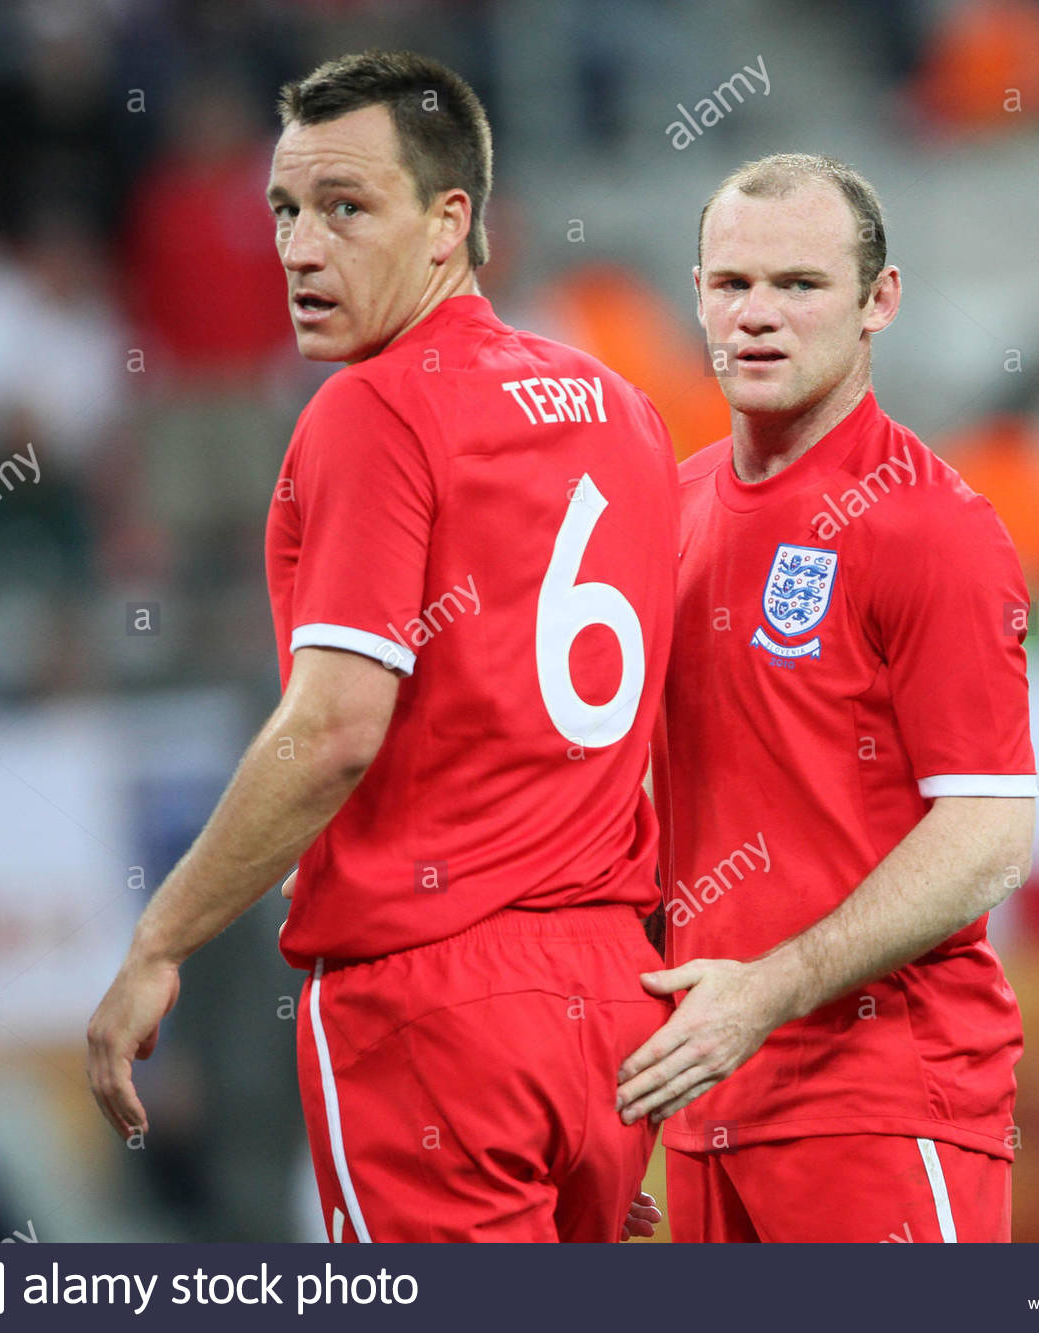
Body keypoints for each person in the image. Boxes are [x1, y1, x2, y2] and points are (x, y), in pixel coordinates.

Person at [87, 49, 677, 1244]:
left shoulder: (371, 411)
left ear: (451, 220)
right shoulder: (625, 411)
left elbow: (333, 732)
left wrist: (161, 940)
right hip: (616, 998)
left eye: (346, 209)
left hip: (433, 997)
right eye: (285, 212)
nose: (300, 249)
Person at [615, 154, 1037, 1243]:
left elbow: (987, 829)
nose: (757, 316)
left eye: (800, 285)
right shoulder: (671, 506)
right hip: (707, 1106)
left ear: (877, 302)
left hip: (884, 1101)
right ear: (696, 293)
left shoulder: (931, 526)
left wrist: (769, 989)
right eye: (731, 285)